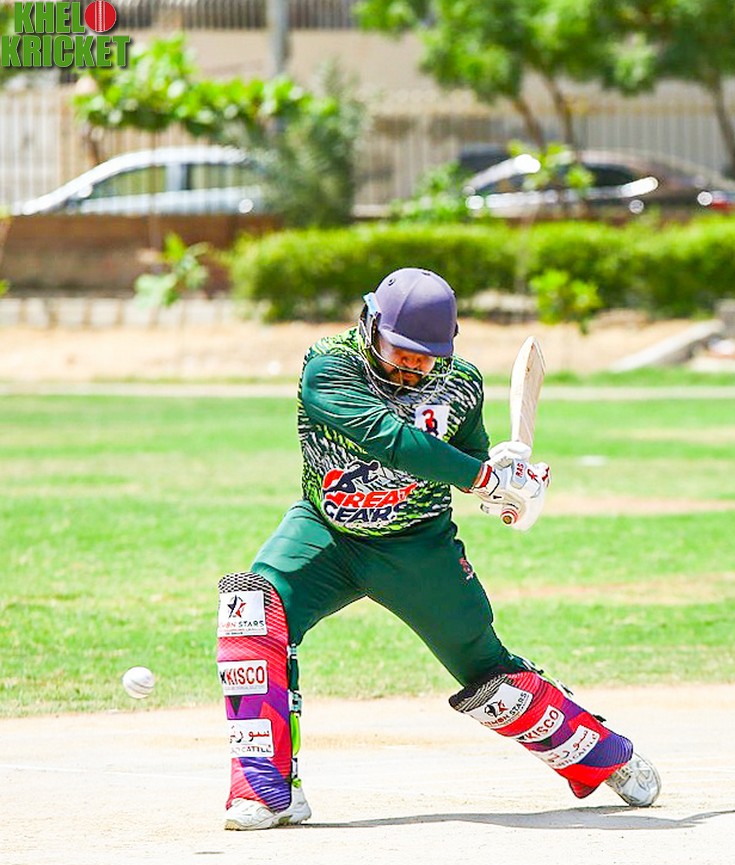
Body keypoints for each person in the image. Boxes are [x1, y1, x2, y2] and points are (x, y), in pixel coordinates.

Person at [215, 267, 660, 830]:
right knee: (250, 611)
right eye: (398, 354)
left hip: (418, 546)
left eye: (423, 360)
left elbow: (471, 461)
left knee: (489, 673)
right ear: (370, 325)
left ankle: (603, 756)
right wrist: (482, 477)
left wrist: (508, 482)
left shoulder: (462, 384)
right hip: (326, 533)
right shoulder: (328, 366)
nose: (409, 370)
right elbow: (391, 440)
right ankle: (266, 790)